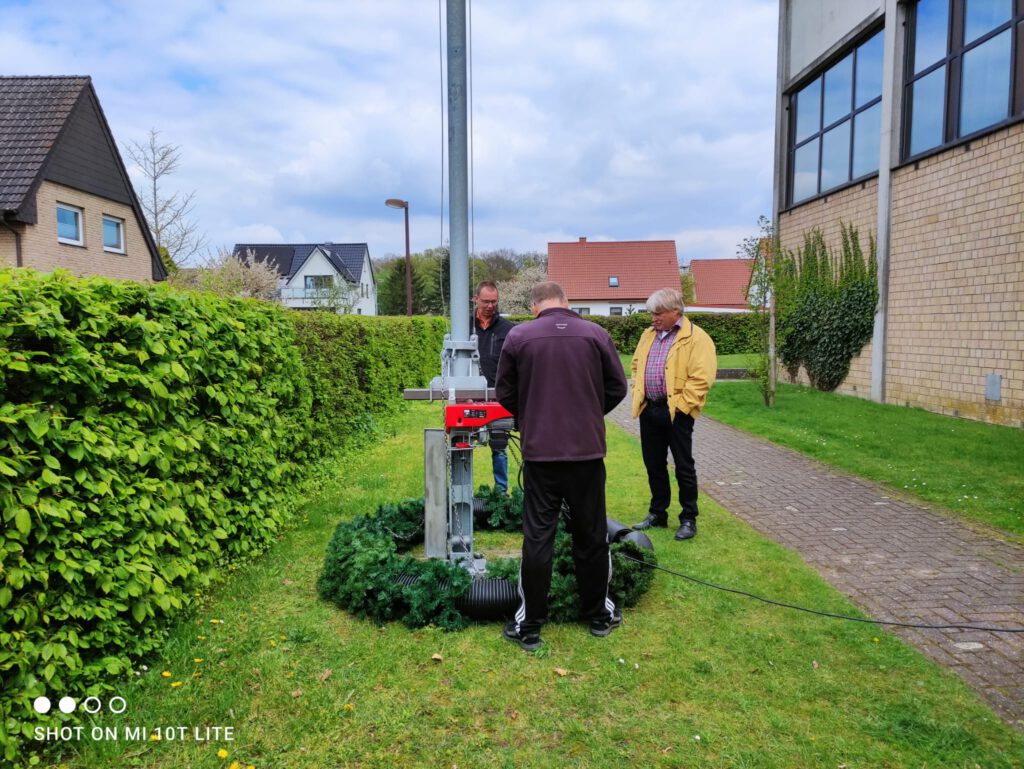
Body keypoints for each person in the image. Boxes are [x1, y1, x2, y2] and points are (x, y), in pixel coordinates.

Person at [495, 281, 628, 651]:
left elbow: (504, 392)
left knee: (538, 537)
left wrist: (532, 415)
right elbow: (617, 387)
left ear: (534, 306)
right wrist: (588, 412)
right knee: (592, 535)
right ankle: (598, 616)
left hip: (541, 455)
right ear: (567, 302)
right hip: (587, 453)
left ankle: (530, 626)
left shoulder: (519, 337)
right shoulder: (596, 334)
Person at [630, 288, 717, 541]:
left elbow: (702, 378)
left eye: (658, 313)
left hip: (677, 413)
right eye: (651, 313)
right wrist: (638, 391)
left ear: (675, 311)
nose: (653, 318)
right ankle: (658, 513)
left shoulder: (697, 337)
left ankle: (688, 518)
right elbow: (636, 365)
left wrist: (682, 407)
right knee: (654, 464)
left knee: (683, 466)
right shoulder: (648, 335)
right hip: (649, 409)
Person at [473, 280, 515, 493]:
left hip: (499, 398)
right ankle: (462, 493)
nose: (490, 306)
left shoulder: (508, 330)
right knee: (461, 446)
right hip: (468, 397)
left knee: (499, 447)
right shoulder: (463, 327)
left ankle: (501, 493)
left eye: (494, 301)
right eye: (485, 301)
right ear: (475, 299)